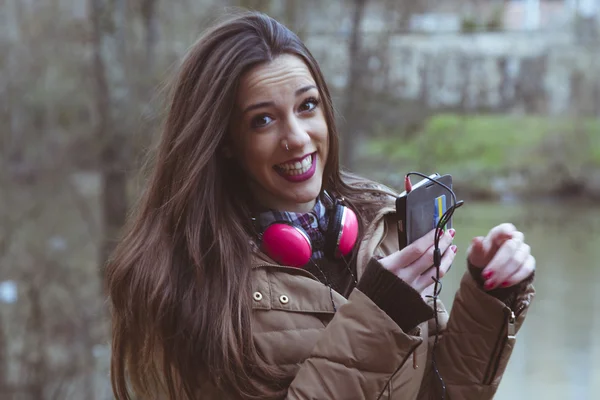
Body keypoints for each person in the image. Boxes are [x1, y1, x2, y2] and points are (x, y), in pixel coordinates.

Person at [106, 10, 536, 400]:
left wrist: (488, 298)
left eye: (307, 106)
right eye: (263, 119)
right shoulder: (188, 283)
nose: (296, 136)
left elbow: (440, 392)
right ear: (224, 143)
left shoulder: (379, 223)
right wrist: (380, 316)